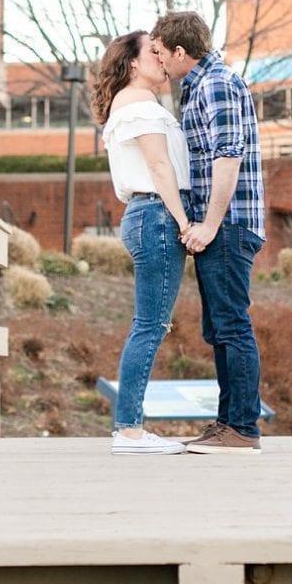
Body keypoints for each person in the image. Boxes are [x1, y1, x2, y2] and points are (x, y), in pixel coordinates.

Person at [150, 10, 265, 455]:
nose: (158, 61)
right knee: (220, 328)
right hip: (223, 225)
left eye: (161, 52)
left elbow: (228, 155)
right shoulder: (200, 85)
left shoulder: (216, 83)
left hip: (229, 225)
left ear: (181, 52)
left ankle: (242, 428)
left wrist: (210, 225)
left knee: (233, 326)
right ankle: (228, 424)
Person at [95, 31, 193, 456]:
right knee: (150, 325)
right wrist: (184, 221)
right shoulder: (138, 105)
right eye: (153, 52)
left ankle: (129, 429)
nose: (162, 57)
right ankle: (130, 431)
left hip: (145, 214)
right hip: (156, 214)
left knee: (149, 324)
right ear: (132, 63)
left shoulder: (131, 105)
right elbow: (157, 164)